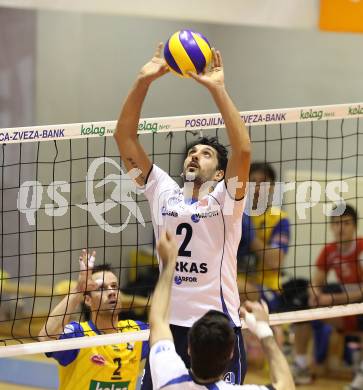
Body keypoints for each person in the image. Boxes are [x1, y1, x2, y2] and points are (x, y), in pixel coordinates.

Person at [114, 43, 251, 387]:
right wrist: (143, 81)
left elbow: (244, 150)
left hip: (217, 328)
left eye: (206, 154)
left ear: (220, 173)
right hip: (168, 326)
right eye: (191, 152)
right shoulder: (160, 188)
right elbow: (124, 137)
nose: (194, 156)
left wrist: (218, 90)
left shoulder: (225, 200)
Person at [149, 230, 295, 390]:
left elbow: (158, 320)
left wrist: (169, 263)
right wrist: (264, 331)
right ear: (231, 354)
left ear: (189, 348)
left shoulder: (168, 378)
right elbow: (286, 386)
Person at [38, 250, 148, 390]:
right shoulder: (79, 334)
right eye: (101, 288)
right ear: (88, 300)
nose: (111, 292)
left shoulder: (137, 331)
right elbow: (45, 337)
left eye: (114, 286)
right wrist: (78, 290)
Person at [292, 204, 363, 385]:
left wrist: (330, 299)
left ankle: (360, 375)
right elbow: (316, 282)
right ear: (331, 226)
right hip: (346, 305)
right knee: (302, 304)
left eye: (346, 223)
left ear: (355, 226)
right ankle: (301, 366)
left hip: (359, 303)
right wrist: (314, 294)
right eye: (337, 223)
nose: (341, 228)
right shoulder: (330, 250)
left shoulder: (361, 247)